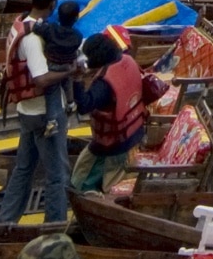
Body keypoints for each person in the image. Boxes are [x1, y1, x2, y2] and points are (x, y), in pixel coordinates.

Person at [0, 0, 73, 225]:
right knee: (57, 175)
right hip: (42, 114)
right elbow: (40, 79)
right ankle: (55, 226)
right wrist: (69, 71)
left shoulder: (20, 23)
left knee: (24, 168)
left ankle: (6, 221)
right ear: (52, 4)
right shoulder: (33, 39)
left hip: (25, 111)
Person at [69, 31, 168, 193]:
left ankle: (96, 203)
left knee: (96, 181)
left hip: (115, 143)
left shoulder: (105, 85)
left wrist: (77, 79)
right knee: (83, 168)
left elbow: (84, 106)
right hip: (134, 130)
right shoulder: (127, 60)